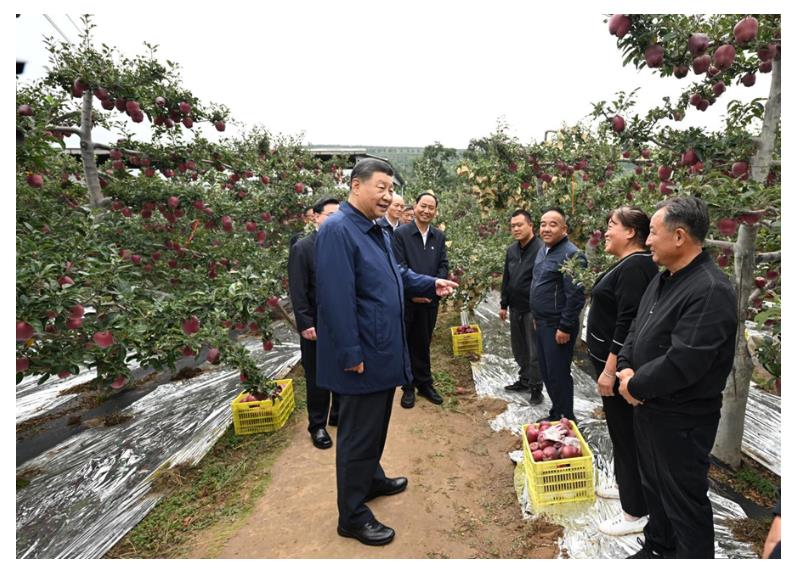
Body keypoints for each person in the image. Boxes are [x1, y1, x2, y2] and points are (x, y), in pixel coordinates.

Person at [315, 158, 458, 546]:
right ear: (356, 186)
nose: (388, 195)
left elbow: (396, 275)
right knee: (357, 436)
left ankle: (372, 479)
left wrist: (430, 283)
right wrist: (350, 353)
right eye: (381, 187)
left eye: (392, 188)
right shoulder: (338, 230)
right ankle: (352, 515)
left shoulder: (375, 230)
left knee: (375, 426)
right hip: (361, 355)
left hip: (380, 350)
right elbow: (336, 299)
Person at [617, 196, 737, 559]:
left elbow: (685, 360)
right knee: (654, 487)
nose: (648, 240)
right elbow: (638, 327)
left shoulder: (710, 290)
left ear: (680, 236)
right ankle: (658, 547)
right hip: (650, 410)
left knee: (683, 500)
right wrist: (625, 364)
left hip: (682, 420)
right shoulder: (663, 278)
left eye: (653, 233)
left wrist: (634, 385)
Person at [585, 206, 658, 536]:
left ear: (630, 232)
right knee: (622, 432)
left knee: (626, 434)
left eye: (611, 224)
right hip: (611, 363)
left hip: (615, 367)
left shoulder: (635, 266)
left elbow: (627, 322)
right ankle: (629, 489)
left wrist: (610, 369)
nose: (606, 230)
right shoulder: (631, 264)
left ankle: (634, 513)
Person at [288, 196, 341, 449]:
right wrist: (305, 322)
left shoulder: (342, 244)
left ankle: (337, 413)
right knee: (317, 376)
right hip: (316, 324)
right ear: (316, 217)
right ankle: (317, 425)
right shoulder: (303, 248)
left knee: (343, 367)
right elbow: (298, 291)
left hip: (340, 321)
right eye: (331, 215)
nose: (336, 220)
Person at [529, 207, 586, 423]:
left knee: (558, 373)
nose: (546, 228)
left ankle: (566, 418)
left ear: (564, 229)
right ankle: (556, 412)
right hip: (542, 322)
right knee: (546, 371)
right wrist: (536, 315)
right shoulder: (543, 251)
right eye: (543, 224)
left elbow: (576, 296)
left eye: (553, 224)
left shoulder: (572, 255)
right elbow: (538, 284)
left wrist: (564, 326)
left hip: (557, 326)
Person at [392, 192, 449, 409]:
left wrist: (436, 287)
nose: (426, 211)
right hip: (408, 300)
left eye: (431, 208)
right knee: (406, 343)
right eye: (423, 206)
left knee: (423, 342)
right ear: (414, 206)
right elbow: (399, 267)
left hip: (430, 300)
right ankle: (408, 387)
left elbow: (443, 264)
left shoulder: (438, 236)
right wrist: (414, 291)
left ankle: (424, 383)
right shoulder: (401, 234)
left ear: (435, 211)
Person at [499, 209, 544, 404]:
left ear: (531, 225)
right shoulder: (512, 250)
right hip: (516, 307)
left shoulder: (541, 250)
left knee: (534, 351)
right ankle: (524, 380)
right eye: (513, 226)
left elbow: (543, 282)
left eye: (520, 225)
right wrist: (503, 303)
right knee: (519, 348)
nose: (516, 229)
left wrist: (540, 311)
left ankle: (536, 387)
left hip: (532, 310)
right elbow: (507, 279)